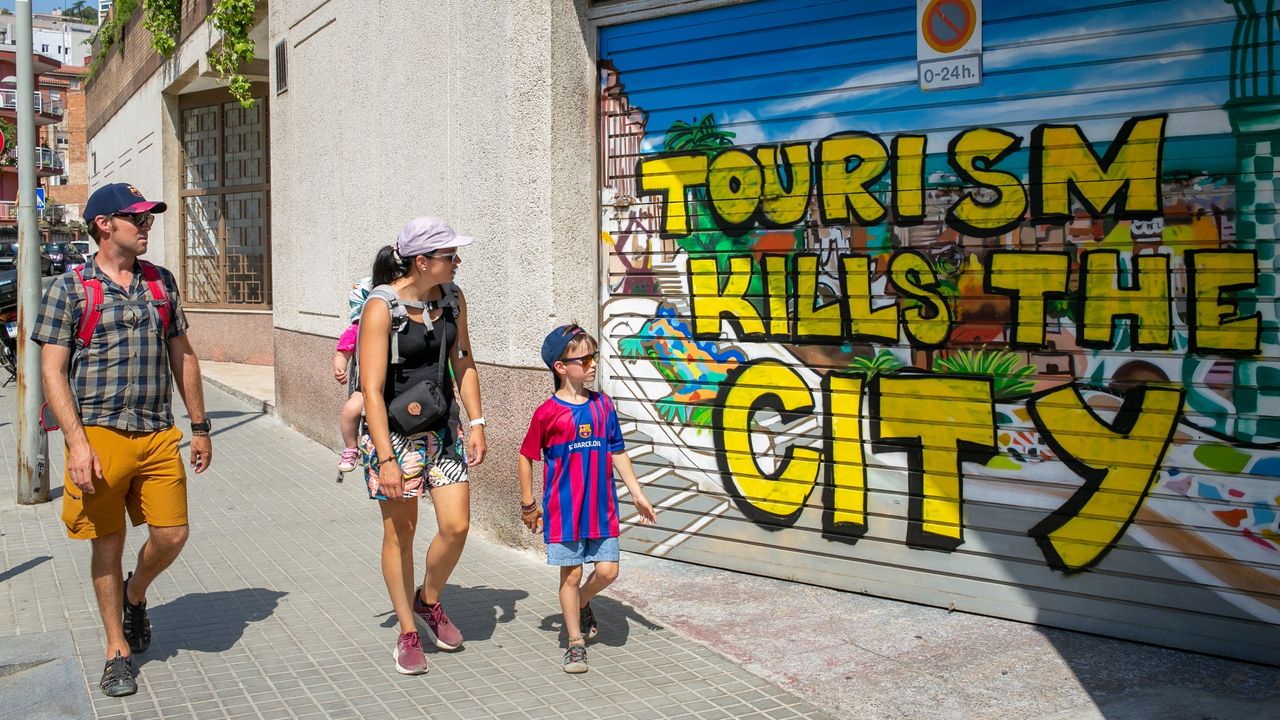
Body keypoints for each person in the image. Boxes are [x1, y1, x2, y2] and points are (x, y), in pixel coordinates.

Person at [31, 183, 212, 697]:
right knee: (107, 543)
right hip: (100, 437)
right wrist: (77, 444)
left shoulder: (161, 283)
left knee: (172, 534)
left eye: (150, 218)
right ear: (104, 225)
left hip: (157, 433)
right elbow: (53, 372)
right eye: (137, 218)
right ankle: (117, 649)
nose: (147, 225)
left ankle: (136, 594)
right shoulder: (70, 289)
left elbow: (184, 355)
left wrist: (199, 426)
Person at [358, 217, 487, 675]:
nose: (457, 262)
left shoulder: (452, 298)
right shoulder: (382, 307)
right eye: (449, 256)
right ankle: (407, 632)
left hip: (444, 430)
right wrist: (387, 459)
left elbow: (463, 359)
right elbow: (372, 390)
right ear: (421, 261)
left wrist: (477, 421)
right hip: (393, 437)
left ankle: (428, 600)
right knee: (401, 533)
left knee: (457, 525)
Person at [518, 324, 657, 673]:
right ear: (561, 367)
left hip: (600, 506)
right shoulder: (547, 412)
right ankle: (575, 642)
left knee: (608, 571)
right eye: (585, 358)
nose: (593, 364)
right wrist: (528, 504)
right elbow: (526, 455)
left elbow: (618, 451)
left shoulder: (603, 405)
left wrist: (637, 493)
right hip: (563, 510)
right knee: (571, 574)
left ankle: (579, 603)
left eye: (594, 356)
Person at [334, 278, 371, 473]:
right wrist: (340, 368)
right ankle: (350, 447)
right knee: (350, 410)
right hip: (364, 386)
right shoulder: (355, 331)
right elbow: (343, 352)